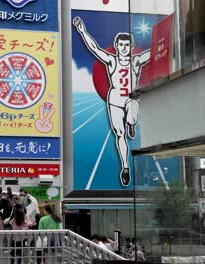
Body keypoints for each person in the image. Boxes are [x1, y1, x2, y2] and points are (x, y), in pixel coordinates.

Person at [73, 17, 150, 187]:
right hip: (114, 100)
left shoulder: (136, 61)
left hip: (131, 98)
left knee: (131, 118)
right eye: (121, 45)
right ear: (116, 46)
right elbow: (94, 48)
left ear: (131, 46)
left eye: (127, 45)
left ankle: (131, 123)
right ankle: (125, 167)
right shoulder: (111, 60)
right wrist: (82, 31)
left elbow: (152, 52)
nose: (124, 48)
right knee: (119, 134)